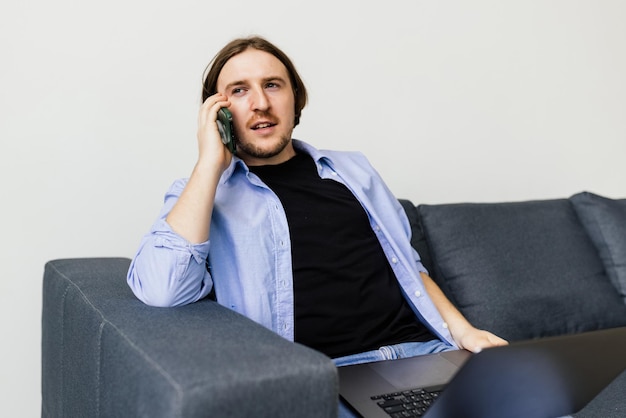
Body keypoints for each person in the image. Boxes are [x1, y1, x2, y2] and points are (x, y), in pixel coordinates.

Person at [127, 36, 507, 416]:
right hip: (324, 379)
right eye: (239, 91)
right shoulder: (203, 194)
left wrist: (464, 333)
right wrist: (209, 162)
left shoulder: (353, 171)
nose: (261, 102)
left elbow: (409, 267)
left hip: (424, 353)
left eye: (272, 85)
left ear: (296, 99)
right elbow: (163, 289)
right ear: (218, 113)